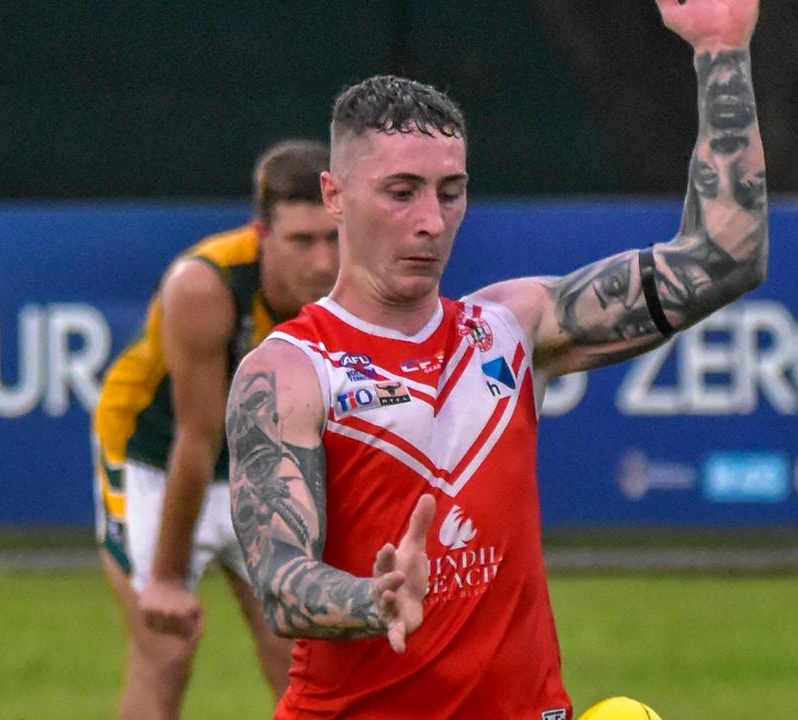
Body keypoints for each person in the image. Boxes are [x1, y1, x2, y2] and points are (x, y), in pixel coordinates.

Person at [226, 1, 767, 717]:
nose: (430, 220)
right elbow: (279, 580)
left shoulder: (512, 327)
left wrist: (721, 50)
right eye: (401, 192)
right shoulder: (290, 371)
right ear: (335, 195)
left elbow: (723, 261)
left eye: (450, 192)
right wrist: (371, 597)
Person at [92, 140, 339, 719]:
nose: (323, 262)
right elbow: (198, 437)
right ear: (262, 234)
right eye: (302, 241)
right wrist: (170, 579)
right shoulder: (205, 286)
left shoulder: (355, 286)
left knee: (303, 654)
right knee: (166, 646)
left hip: (261, 460)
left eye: (334, 237)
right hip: (154, 454)